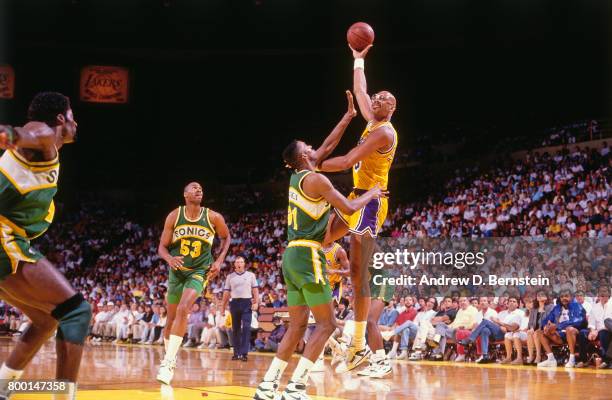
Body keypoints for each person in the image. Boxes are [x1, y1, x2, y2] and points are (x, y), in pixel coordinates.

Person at [254, 90, 385, 400]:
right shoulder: (318, 181)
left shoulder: (298, 178)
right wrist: (372, 192)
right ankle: (296, 387)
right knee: (326, 325)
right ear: (302, 157)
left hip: (290, 257)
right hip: (309, 255)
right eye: (308, 147)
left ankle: (268, 386)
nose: (315, 148)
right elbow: (351, 209)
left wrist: (349, 116)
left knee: (298, 326)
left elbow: (327, 147)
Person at [0, 92, 90, 400]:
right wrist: (9, 134)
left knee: (46, 319)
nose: (76, 122)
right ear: (62, 119)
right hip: (2, 236)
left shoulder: (49, 148)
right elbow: (27, 132)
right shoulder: (45, 135)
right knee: (76, 312)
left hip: (10, 238)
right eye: (72, 115)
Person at [319, 44, 399, 372]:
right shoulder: (371, 119)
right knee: (319, 238)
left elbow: (350, 159)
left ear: (391, 108)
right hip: (355, 196)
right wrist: (358, 57)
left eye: (384, 99)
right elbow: (360, 89)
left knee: (357, 273)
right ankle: (329, 321)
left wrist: (315, 164)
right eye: (377, 97)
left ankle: (357, 346)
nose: (376, 99)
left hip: (370, 203)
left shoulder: (383, 132)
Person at [156, 182, 231, 385]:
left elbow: (226, 237)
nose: (199, 190)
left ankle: (169, 363)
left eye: (201, 188)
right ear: (185, 194)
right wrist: (169, 259)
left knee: (183, 309)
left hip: (199, 271)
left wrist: (219, 259)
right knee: (170, 320)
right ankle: (167, 358)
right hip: (177, 272)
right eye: (194, 188)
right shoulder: (174, 216)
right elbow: (162, 247)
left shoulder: (213, 217)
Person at [221, 256, 259, 361]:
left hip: (247, 302)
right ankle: (236, 353)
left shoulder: (251, 275)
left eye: (241, 262)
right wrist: (222, 307)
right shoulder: (230, 277)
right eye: (237, 262)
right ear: (234, 264)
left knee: (246, 328)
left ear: (244, 264)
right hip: (234, 303)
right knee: (235, 329)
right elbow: (226, 292)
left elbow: (255, 290)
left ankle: (244, 353)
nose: (239, 263)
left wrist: (256, 303)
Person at [537, 289, 587, 368]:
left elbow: (578, 321)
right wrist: (546, 326)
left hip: (574, 333)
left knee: (569, 329)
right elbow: (546, 320)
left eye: (566, 296)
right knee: (539, 332)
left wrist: (558, 326)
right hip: (558, 334)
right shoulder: (557, 308)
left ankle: (572, 359)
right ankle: (551, 359)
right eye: (562, 297)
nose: (564, 298)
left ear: (571, 297)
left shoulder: (577, 306)